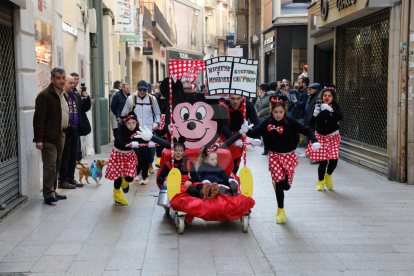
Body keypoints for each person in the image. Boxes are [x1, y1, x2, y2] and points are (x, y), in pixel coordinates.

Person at [243, 96, 320, 224]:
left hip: (289, 155)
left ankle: (281, 187)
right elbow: (255, 132)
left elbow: (307, 130)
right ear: (271, 111)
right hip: (274, 155)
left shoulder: (290, 121)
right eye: (275, 112)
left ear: (284, 111)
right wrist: (246, 130)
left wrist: (314, 141)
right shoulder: (267, 122)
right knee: (279, 182)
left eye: (280, 112)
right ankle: (280, 210)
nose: (278, 115)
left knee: (286, 186)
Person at [33, 67, 69, 204]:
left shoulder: (62, 94)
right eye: (58, 78)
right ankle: (48, 194)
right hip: (48, 137)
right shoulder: (45, 95)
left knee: (57, 163)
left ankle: (53, 190)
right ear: (52, 79)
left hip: (61, 133)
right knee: (50, 165)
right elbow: (39, 119)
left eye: (63, 78)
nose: (61, 80)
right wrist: (38, 140)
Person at [105, 112, 157, 205]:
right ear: (125, 123)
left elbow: (143, 140)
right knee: (117, 177)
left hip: (128, 155)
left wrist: (151, 141)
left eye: (133, 122)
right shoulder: (120, 129)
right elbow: (118, 143)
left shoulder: (138, 130)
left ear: (136, 122)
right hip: (118, 155)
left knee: (129, 177)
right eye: (128, 123)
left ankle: (125, 182)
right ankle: (117, 196)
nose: (131, 125)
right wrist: (129, 144)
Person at [122, 80, 161, 185]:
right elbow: (124, 114)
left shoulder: (153, 99)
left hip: (148, 131)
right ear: (136, 88)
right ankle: (137, 171)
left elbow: (157, 113)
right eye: (140, 89)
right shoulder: (131, 99)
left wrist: (156, 123)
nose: (142, 91)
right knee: (137, 154)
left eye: (144, 89)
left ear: (147, 89)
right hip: (135, 131)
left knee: (146, 155)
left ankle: (144, 176)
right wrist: (128, 125)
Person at [306, 85, 343, 191]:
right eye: (325, 95)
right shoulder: (318, 106)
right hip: (321, 136)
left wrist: (331, 110)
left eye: (329, 96)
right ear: (322, 96)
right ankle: (320, 181)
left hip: (333, 137)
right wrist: (315, 114)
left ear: (333, 97)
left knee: (334, 160)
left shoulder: (335, 106)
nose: (327, 97)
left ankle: (328, 176)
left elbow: (340, 117)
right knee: (323, 162)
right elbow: (310, 123)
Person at [58, 75, 91, 189]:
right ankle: (62, 180)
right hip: (65, 131)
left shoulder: (76, 96)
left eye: (73, 83)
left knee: (74, 156)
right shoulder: (61, 96)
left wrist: (86, 99)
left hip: (76, 131)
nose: (73, 85)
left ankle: (71, 178)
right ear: (64, 83)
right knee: (65, 156)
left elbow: (84, 109)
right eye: (70, 83)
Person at [220, 94, 260, 174]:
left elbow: (255, 121)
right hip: (224, 137)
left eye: (238, 98)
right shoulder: (223, 106)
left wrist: (256, 137)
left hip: (239, 135)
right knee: (223, 163)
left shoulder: (248, 105)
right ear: (228, 98)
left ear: (242, 98)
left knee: (236, 161)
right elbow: (223, 126)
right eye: (233, 98)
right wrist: (233, 139)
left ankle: (233, 178)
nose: (235, 102)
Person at [255, 83, 271, 155]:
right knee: (263, 135)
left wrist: (261, 113)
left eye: (261, 89)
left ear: (264, 90)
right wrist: (256, 112)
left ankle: (268, 149)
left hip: (266, 118)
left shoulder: (270, 97)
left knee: (267, 135)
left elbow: (270, 107)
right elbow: (255, 105)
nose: (259, 90)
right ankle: (266, 149)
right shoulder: (259, 97)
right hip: (259, 118)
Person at [293, 76, 309, 147]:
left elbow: (303, 103)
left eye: (300, 82)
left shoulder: (305, 92)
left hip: (302, 114)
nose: (298, 84)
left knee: (303, 130)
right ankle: (302, 143)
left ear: (304, 83)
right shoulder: (301, 90)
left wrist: (297, 102)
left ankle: (306, 146)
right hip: (298, 113)